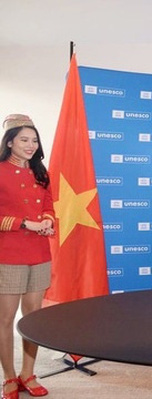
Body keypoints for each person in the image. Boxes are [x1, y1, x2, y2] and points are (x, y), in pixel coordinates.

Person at [0, 114, 55, 399]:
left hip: (39, 252)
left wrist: (47, 220)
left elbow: (49, 204)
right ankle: (9, 377)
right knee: (6, 319)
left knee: (32, 317)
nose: (31, 145)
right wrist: (23, 223)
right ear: (10, 142)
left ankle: (27, 374)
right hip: (8, 253)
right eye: (24, 140)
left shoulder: (40, 171)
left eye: (34, 140)